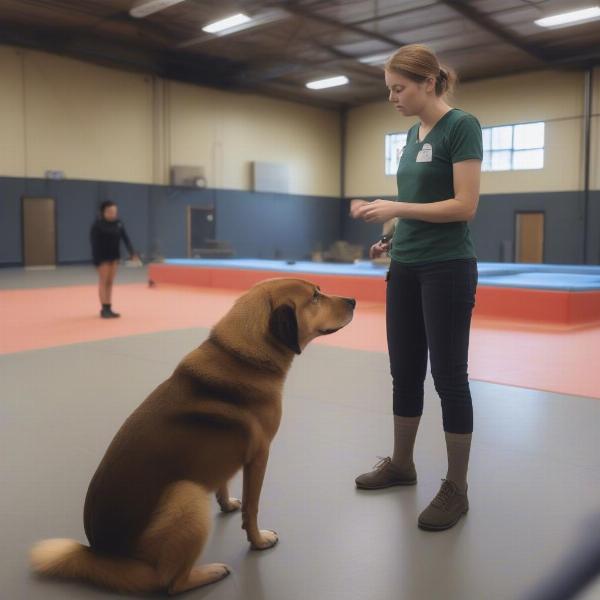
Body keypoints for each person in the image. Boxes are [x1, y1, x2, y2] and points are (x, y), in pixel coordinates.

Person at [351, 43, 483, 531]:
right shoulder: (412, 132)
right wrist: (388, 237)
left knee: (449, 377)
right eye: (388, 89)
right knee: (404, 371)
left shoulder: (461, 126)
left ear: (429, 83)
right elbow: (413, 201)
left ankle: (457, 487)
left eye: (399, 87)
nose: (392, 97)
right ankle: (402, 465)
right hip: (405, 265)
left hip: (447, 267)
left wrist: (396, 210)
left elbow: (464, 205)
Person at [90, 201, 137, 319]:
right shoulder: (97, 225)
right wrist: (97, 260)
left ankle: (109, 307)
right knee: (103, 281)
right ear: (103, 212)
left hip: (114, 256)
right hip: (102, 257)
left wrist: (132, 252)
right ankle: (104, 309)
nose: (113, 214)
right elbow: (94, 244)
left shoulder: (119, 223)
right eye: (110, 212)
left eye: (115, 212)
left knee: (110, 282)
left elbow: (126, 238)